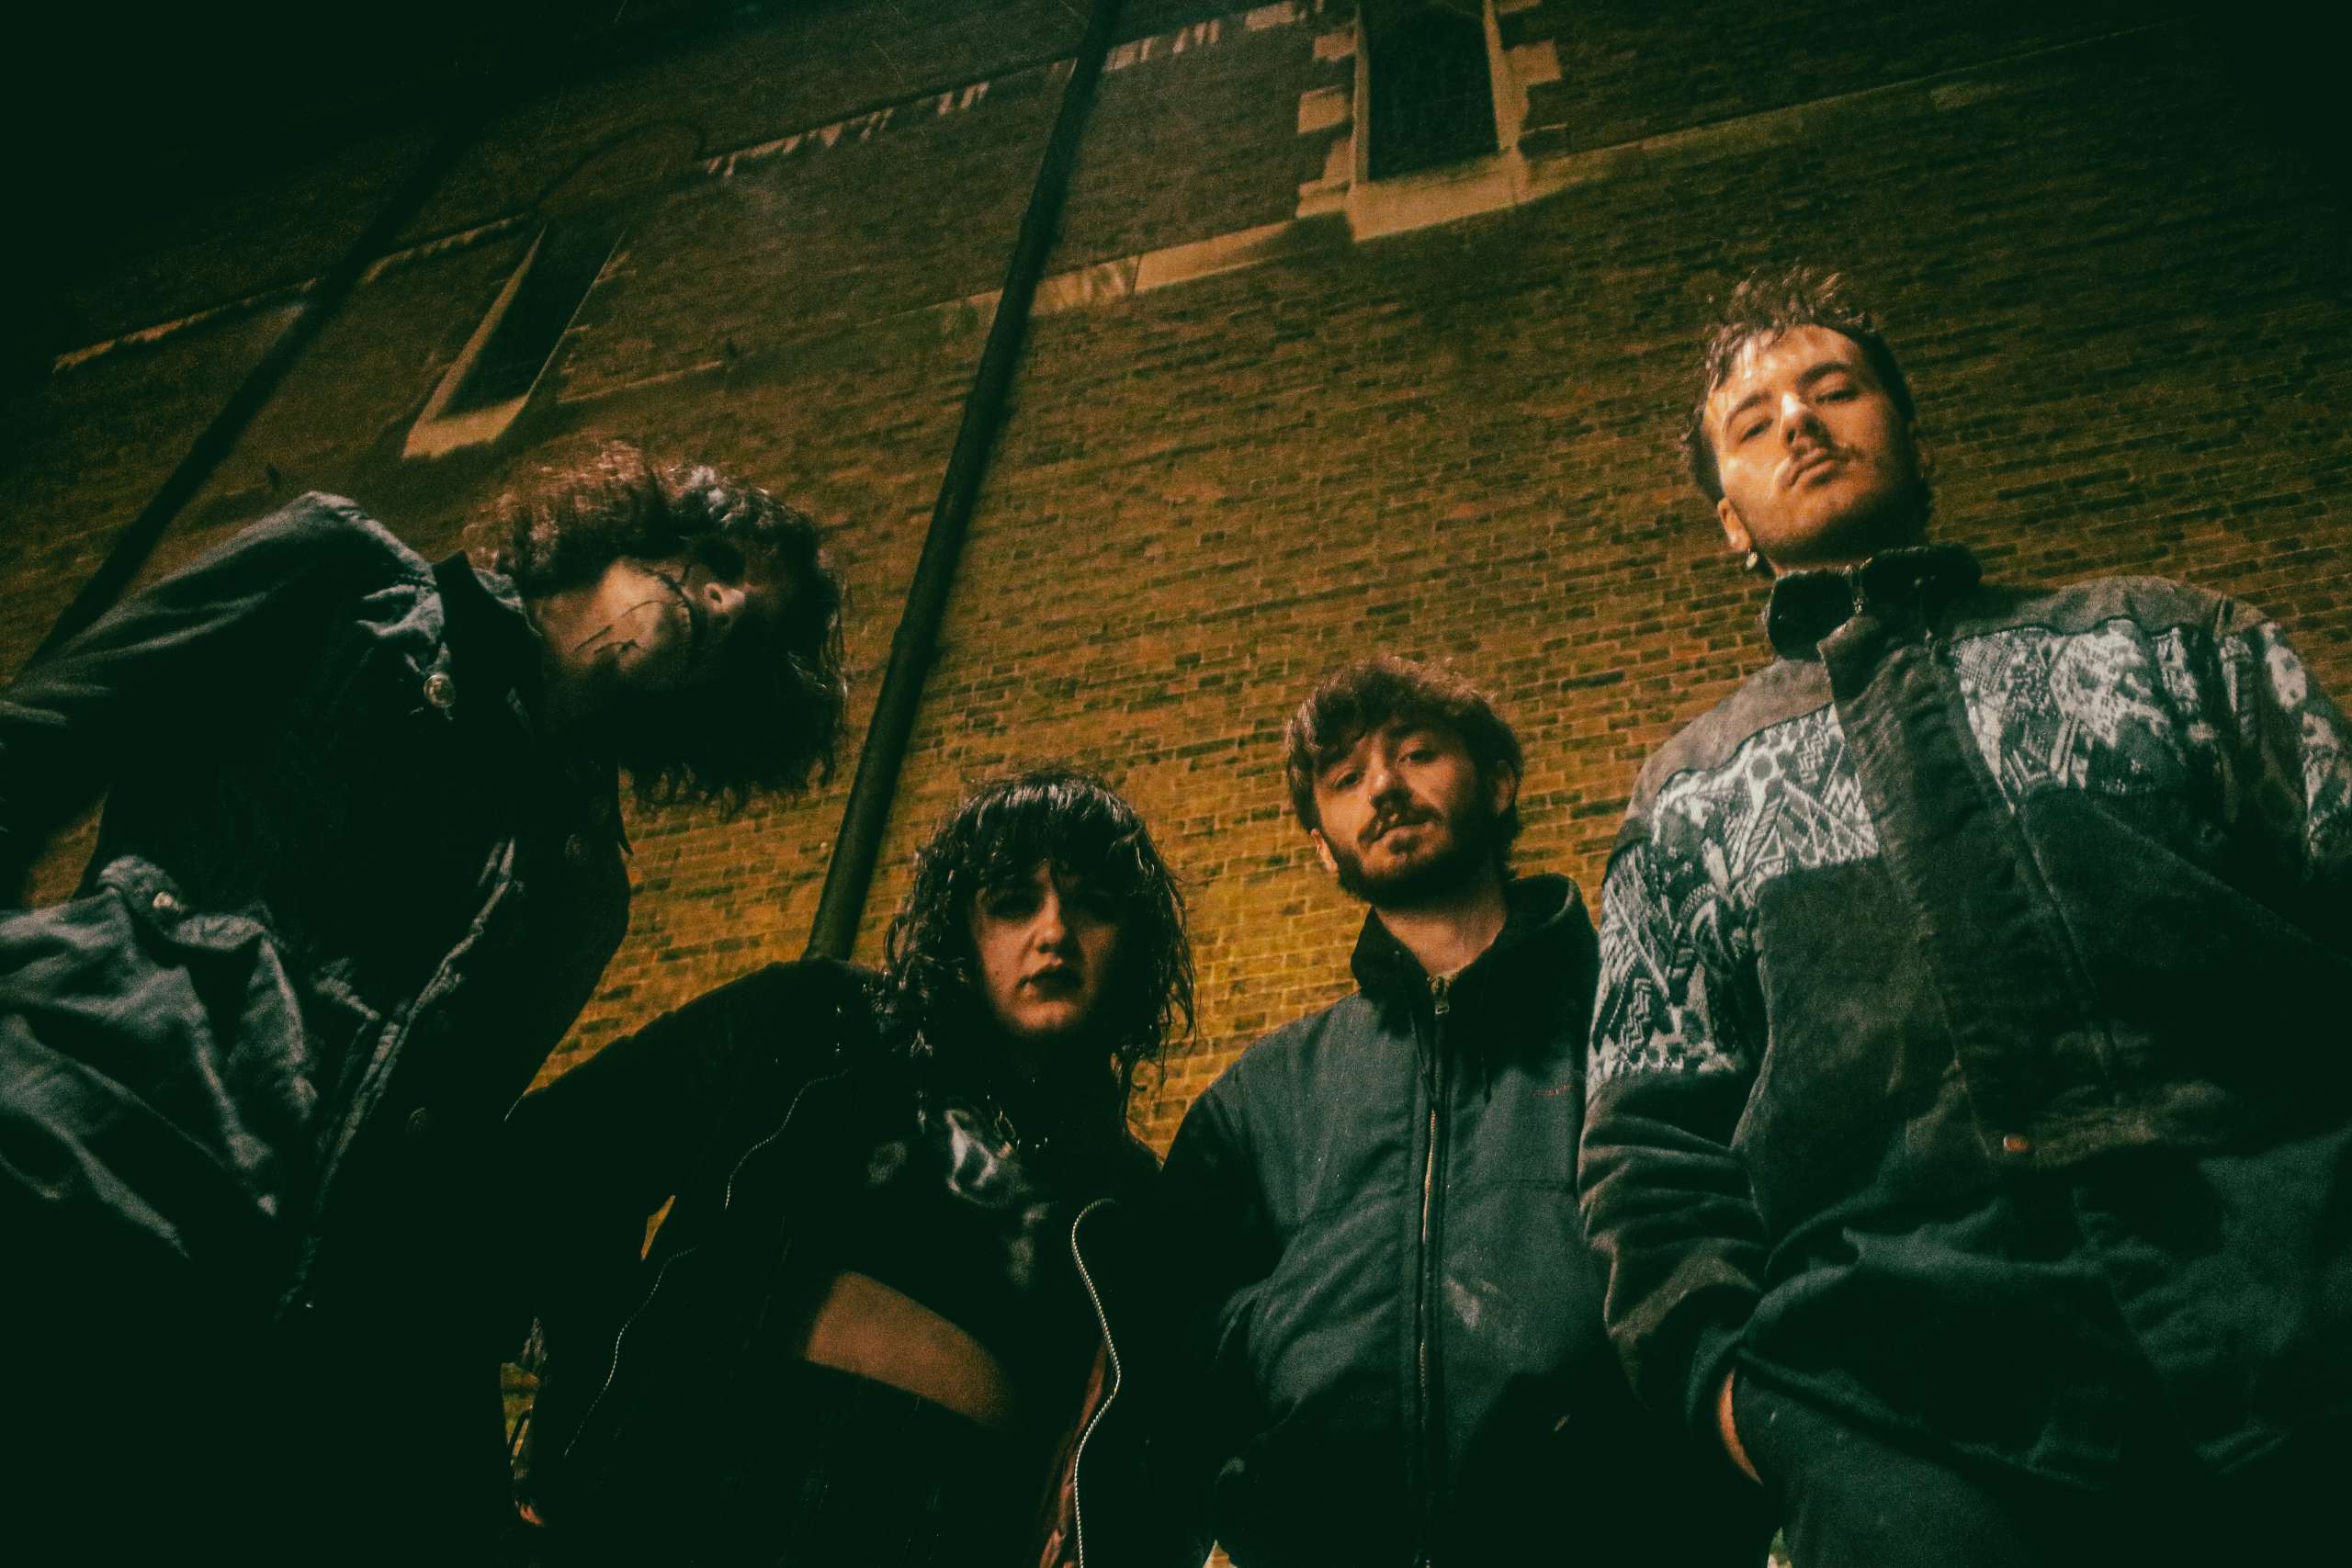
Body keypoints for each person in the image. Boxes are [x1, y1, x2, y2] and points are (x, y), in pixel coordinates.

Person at [1579, 265, 2352, 1565]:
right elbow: (1647, 1143)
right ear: (1730, 524)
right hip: (1906, 1433)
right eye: (1755, 422)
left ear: (1911, 432)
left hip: (2307, 1334)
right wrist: (1749, 1405)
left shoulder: (2173, 646)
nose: (1800, 422)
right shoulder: (1689, 795)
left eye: (1833, 389)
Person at [0, 439, 846, 1558]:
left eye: (749, 634)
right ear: (634, 526)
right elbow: (34, 746)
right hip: (52, 1142)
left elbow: (412, 1173)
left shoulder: (581, 893)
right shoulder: (346, 578)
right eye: (721, 563)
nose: (724, 606)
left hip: (199, 1323)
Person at [1159, 657, 1767, 1568]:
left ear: (1499, 783)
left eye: (1415, 754)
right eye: (1346, 778)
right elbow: (1177, 1351)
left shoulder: (1640, 1019)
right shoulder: (1261, 1097)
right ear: (1322, 847)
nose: (1383, 788)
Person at [509, 767, 1197, 1567]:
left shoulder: (1128, 1198)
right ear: (962, 925)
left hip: (950, 1531)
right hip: (699, 1503)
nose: (1054, 932)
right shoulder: (818, 1023)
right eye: (1014, 901)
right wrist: (594, 1395)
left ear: (1132, 945)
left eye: (1094, 905)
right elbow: (560, 1158)